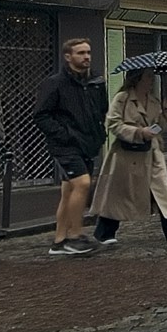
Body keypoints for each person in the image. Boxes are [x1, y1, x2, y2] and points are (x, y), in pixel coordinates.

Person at [95, 68, 167, 246]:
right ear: (137, 78)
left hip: (151, 154)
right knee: (118, 194)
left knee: (162, 189)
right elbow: (113, 123)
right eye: (148, 76)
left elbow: (158, 128)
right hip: (127, 155)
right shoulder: (123, 98)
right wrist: (138, 132)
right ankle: (104, 232)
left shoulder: (154, 102)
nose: (151, 80)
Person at [33, 39, 108, 258]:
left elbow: (101, 110)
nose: (86, 57)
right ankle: (75, 236)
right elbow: (41, 115)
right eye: (81, 53)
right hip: (65, 145)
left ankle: (59, 241)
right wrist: (64, 135)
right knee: (83, 184)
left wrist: (98, 133)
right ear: (68, 56)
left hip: (87, 143)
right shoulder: (55, 83)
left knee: (68, 192)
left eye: (88, 52)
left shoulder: (96, 82)